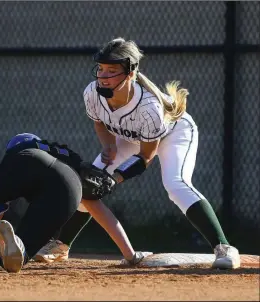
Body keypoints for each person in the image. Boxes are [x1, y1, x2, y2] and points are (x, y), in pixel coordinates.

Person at [38, 37, 241, 269]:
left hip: (174, 133)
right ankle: (61, 246)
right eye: (101, 69)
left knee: (175, 184)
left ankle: (224, 247)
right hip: (131, 136)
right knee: (89, 183)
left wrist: (115, 178)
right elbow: (100, 124)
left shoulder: (148, 106)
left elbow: (146, 156)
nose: (103, 76)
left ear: (130, 73)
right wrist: (108, 146)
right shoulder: (92, 92)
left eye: (112, 71)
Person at [0, 132, 151, 273]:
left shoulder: (19, 152)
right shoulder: (70, 157)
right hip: (69, 187)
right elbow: (99, 210)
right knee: (24, 248)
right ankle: (20, 247)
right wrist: (130, 255)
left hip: (28, 160)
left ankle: (3, 251)